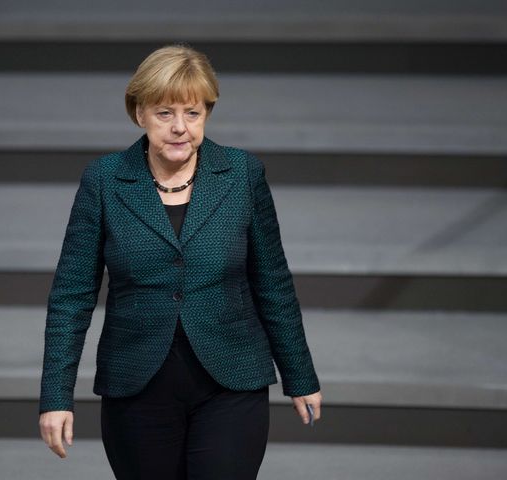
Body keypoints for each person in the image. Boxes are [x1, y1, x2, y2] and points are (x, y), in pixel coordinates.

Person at [39, 43, 322, 479]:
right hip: (137, 385)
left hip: (231, 381)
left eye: (192, 113)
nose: (180, 128)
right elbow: (72, 296)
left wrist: (299, 374)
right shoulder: (105, 180)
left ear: (207, 114)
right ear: (140, 114)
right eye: (164, 113)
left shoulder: (243, 175)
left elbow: (273, 282)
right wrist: (56, 396)